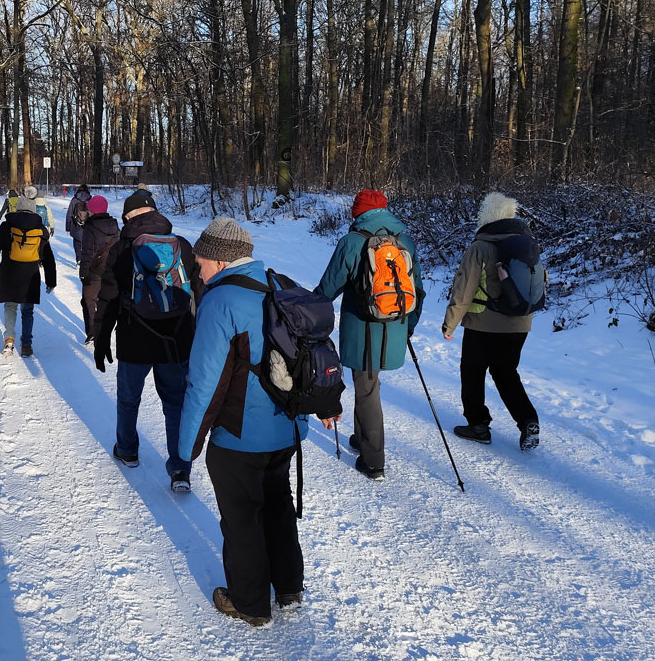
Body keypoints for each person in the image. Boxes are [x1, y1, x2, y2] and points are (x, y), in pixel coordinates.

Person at [178, 218, 329, 627]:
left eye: (200, 262)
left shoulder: (220, 300)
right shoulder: (279, 282)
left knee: (242, 520)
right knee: (278, 506)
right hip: (287, 429)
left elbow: (204, 383)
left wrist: (186, 447)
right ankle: (289, 587)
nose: (197, 270)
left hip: (240, 438)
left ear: (219, 260)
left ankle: (249, 604)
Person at [93, 190, 200, 491]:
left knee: (129, 399)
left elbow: (108, 299)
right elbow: (199, 292)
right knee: (176, 404)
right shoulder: (182, 246)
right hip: (176, 341)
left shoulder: (120, 250)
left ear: (128, 216)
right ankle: (180, 468)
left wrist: (101, 339)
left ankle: (127, 450)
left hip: (134, 339)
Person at [315, 189, 424, 480]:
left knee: (366, 390)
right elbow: (418, 290)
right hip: (396, 327)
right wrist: (409, 325)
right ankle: (361, 436)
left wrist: (309, 312)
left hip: (362, 331)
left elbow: (327, 288)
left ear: (358, 212)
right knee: (368, 385)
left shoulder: (352, 242)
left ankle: (374, 462)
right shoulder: (405, 241)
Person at [442, 191, 541, 451]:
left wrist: (450, 323)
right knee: (506, 372)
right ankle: (528, 420)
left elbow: (464, 288)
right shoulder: (527, 244)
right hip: (519, 323)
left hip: (482, 324)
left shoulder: (481, 246)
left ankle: (478, 426)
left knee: (472, 372)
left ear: (486, 217)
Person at [0, 194, 56, 357]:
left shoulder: (7, 226)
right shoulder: (41, 229)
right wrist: (51, 280)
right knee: (27, 310)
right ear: (33, 210)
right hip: (30, 275)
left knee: (10, 306)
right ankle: (26, 345)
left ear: (18, 208)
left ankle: (9, 339)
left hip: (9, 273)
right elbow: (48, 257)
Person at [78, 195, 119, 343]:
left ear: (92, 210)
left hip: (94, 271)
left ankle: (93, 331)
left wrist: (83, 274)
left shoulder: (90, 227)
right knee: (106, 300)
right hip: (111, 269)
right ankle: (105, 328)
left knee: (88, 300)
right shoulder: (114, 226)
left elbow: (87, 253)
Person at [65, 184, 92, 260]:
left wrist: (68, 227)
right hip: (87, 226)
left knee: (77, 242)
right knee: (87, 243)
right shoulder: (90, 200)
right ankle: (86, 259)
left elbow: (69, 213)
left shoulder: (74, 200)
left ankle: (79, 259)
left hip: (75, 225)